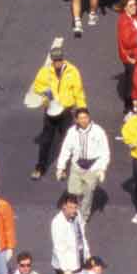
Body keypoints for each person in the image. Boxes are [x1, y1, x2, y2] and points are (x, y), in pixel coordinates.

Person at [31, 46, 86, 179]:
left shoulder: (73, 72)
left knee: (67, 141)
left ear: (63, 58)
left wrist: (82, 110)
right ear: (52, 60)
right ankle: (40, 167)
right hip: (50, 110)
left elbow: (78, 92)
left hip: (66, 111)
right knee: (46, 141)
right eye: (55, 60)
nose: (57, 62)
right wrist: (46, 91)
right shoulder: (45, 72)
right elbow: (37, 86)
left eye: (60, 59)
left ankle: (63, 169)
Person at [56, 107, 110, 222]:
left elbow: (105, 151)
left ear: (89, 117)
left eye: (85, 117)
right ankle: (73, 211)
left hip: (93, 167)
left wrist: (102, 169)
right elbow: (66, 149)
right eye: (80, 118)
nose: (84, 120)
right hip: (77, 166)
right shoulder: (72, 131)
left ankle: (83, 218)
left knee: (88, 194)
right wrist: (60, 167)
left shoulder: (98, 131)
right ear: (76, 120)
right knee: (73, 192)